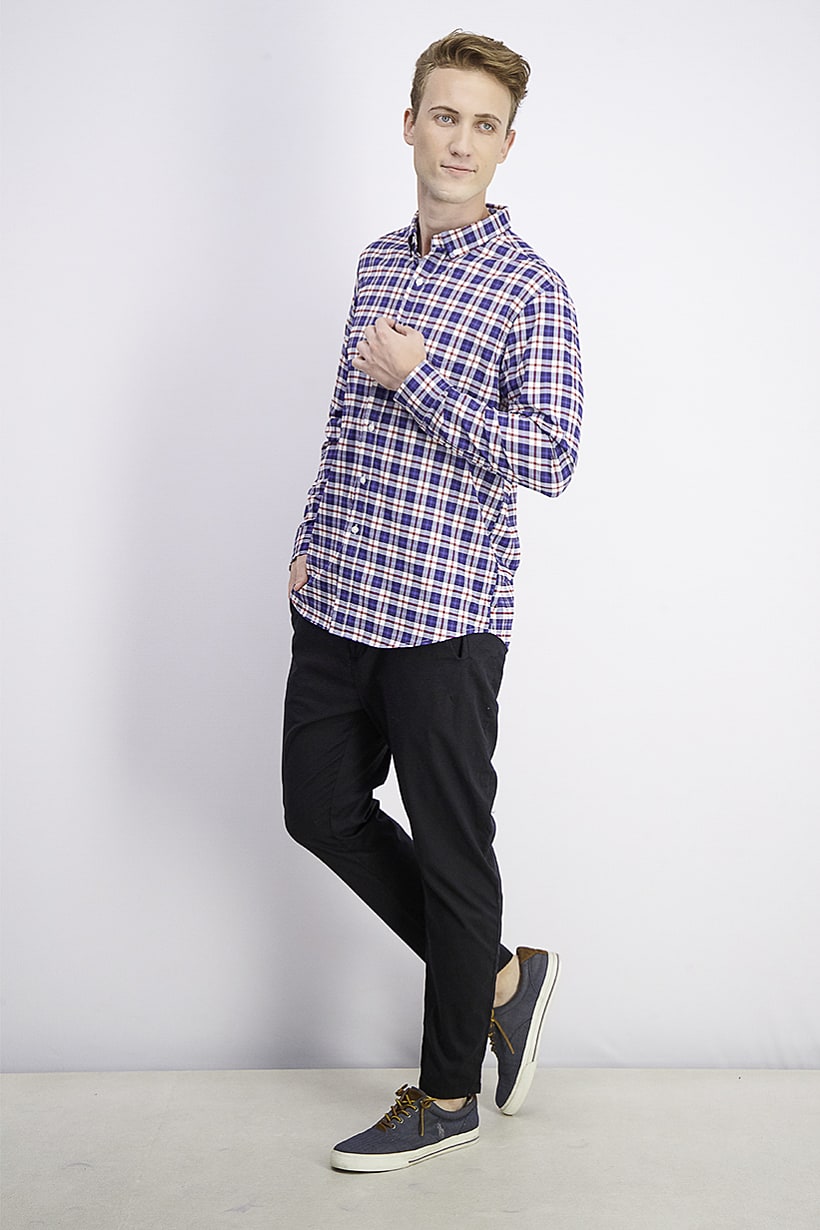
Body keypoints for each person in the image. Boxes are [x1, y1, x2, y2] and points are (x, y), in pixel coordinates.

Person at [282, 29, 583, 1172]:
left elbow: (550, 455)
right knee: (319, 811)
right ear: (409, 124)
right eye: (443, 116)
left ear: (507, 145)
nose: (459, 141)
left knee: (457, 858)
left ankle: (447, 1095)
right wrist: (309, 539)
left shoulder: (530, 289)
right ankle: (500, 977)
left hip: (446, 618)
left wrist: (423, 379)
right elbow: (345, 417)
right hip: (338, 596)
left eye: (483, 125)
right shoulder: (376, 262)